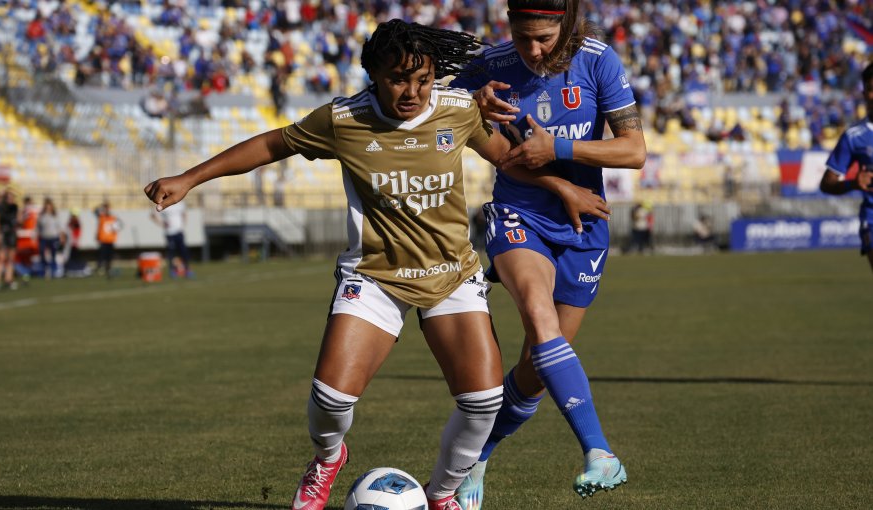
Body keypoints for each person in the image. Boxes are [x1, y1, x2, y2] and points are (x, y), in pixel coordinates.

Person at [144, 19, 606, 510]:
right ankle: (327, 458)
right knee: (331, 399)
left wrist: (560, 185)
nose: (412, 92)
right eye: (398, 79)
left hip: (450, 274)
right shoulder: (344, 120)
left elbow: (506, 158)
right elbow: (270, 145)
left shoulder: (457, 110)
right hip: (375, 276)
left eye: (423, 79)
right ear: (374, 75)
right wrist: (190, 178)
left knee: (482, 402)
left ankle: (443, 494)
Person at [450, 0, 646, 504]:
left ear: (567, 25)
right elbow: (431, 110)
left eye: (544, 38)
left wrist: (557, 149)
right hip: (520, 214)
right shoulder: (492, 66)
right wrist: (471, 101)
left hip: (586, 223)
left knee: (535, 373)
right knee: (541, 321)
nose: (533, 50)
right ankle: (600, 453)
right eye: (522, 37)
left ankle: (474, 460)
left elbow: (633, 151)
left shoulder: (600, 60)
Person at [819, 62, 873, 274]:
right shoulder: (854, 136)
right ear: (864, 93)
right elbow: (827, 183)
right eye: (871, 89)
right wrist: (853, 183)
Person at [151, 200, 193, 278]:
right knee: (171, 253)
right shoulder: (163, 204)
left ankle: (187, 269)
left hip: (179, 231)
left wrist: (183, 225)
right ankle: (173, 270)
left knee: (183, 251)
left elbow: (184, 213)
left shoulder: (180, 202)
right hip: (169, 233)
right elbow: (153, 215)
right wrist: (161, 223)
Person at [0, 190, 20, 290]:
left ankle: (9, 279)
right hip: (3, 232)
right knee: (1, 257)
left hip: (11, 233)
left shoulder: (15, 207)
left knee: (11, 257)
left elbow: (18, 220)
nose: (11, 199)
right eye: (9, 197)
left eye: (12, 198)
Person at [37, 197, 62, 279]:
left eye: (49, 206)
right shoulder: (42, 216)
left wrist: (61, 236)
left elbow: (59, 227)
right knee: (42, 253)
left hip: (53, 237)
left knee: (53, 255)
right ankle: (44, 269)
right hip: (44, 237)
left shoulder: (55, 215)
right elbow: (38, 227)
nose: (48, 208)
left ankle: (53, 271)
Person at [95, 201, 122, 278]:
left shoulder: (113, 218)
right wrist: (101, 205)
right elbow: (95, 210)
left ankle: (108, 268)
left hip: (110, 240)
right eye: (105, 208)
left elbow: (120, 225)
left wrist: (116, 227)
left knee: (109, 256)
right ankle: (100, 268)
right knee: (101, 255)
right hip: (103, 240)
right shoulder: (102, 217)